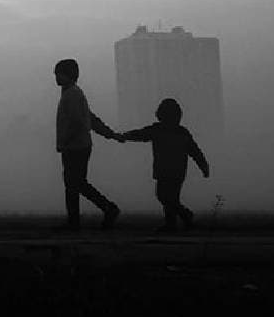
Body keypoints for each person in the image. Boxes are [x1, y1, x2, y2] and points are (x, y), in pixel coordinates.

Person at [118, 98, 210, 233]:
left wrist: (124, 136)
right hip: (178, 171)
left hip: (165, 170)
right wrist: (203, 166)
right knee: (171, 197)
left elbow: (140, 134)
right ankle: (175, 222)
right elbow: (195, 152)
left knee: (164, 196)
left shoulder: (158, 130)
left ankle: (181, 217)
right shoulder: (181, 132)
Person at [53, 58, 121, 230]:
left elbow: (78, 122)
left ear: (68, 75)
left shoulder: (72, 95)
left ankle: (99, 211)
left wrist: (65, 141)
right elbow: (90, 119)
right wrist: (109, 134)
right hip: (78, 145)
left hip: (75, 146)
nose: (56, 77)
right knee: (76, 183)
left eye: (59, 74)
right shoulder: (73, 93)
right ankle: (82, 218)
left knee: (74, 184)